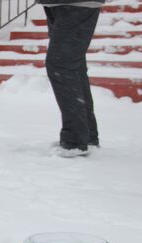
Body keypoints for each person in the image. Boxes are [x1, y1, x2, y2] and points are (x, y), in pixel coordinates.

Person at [37, 0, 104, 157]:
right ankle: (86, 136)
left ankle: (75, 141)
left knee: (61, 65)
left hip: (77, 4)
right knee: (73, 67)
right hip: (58, 4)